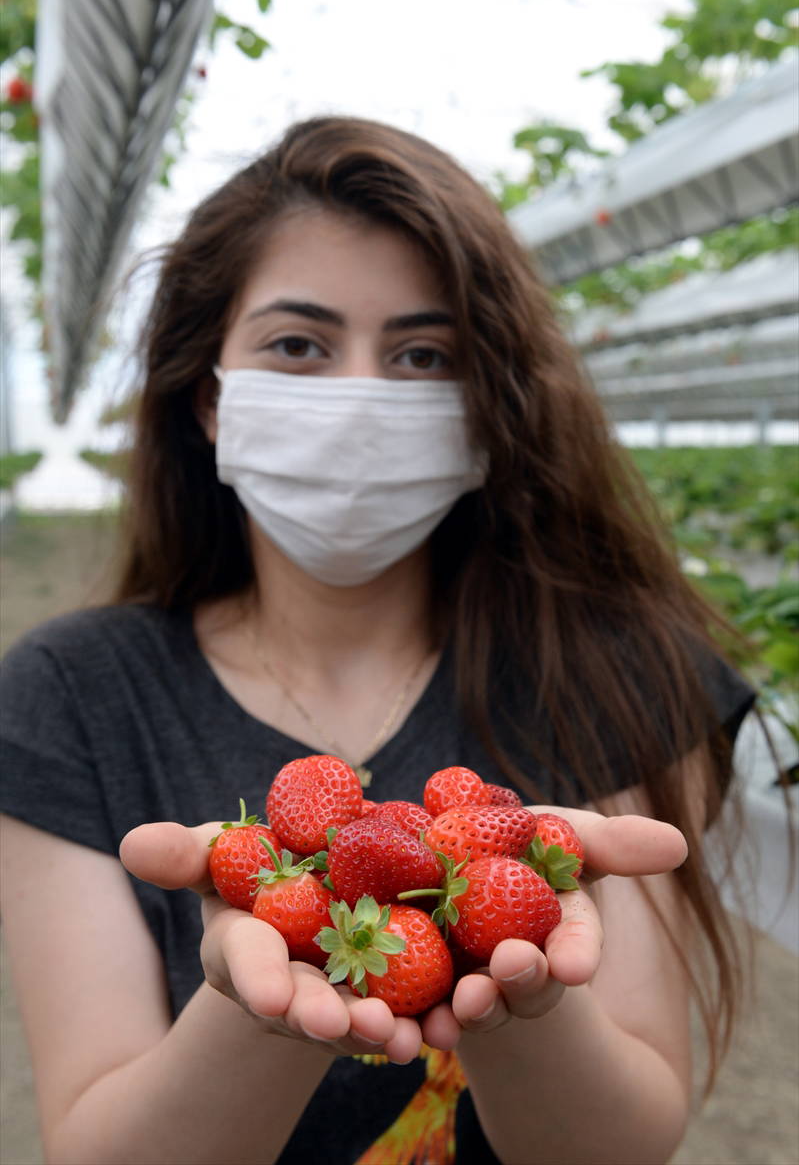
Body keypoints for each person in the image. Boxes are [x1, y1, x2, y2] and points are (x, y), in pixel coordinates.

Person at [0, 116, 756, 1165]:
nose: (359, 396)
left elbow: (622, 1143)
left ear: (486, 408)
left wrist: (519, 999)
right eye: (298, 345)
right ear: (211, 398)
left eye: (422, 353)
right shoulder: (72, 695)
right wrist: (261, 1006)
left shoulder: (617, 674)